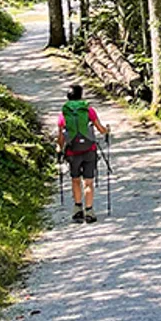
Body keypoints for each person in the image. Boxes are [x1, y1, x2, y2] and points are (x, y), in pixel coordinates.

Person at [57, 84, 109, 224]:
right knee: (88, 182)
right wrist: (107, 130)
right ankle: (90, 211)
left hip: (72, 151)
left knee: (75, 180)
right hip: (89, 150)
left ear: (68, 97)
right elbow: (100, 129)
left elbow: (61, 136)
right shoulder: (88, 110)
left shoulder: (64, 114)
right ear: (81, 95)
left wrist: (59, 148)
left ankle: (78, 208)